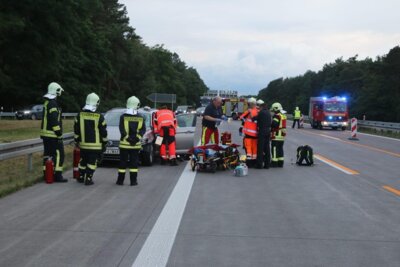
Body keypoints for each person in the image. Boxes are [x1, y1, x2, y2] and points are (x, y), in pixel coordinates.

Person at [74, 93, 108, 185]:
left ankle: (80, 177)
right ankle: (88, 179)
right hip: (95, 147)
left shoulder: (79, 115)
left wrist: (77, 141)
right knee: (92, 162)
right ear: (96, 103)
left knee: (83, 161)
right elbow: (103, 132)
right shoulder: (99, 116)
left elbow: (76, 130)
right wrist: (105, 142)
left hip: (83, 145)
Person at [40, 82, 67, 182]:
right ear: (57, 91)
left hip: (45, 134)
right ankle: (58, 176)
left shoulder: (47, 102)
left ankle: (47, 174)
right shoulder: (53, 104)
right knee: (59, 154)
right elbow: (54, 120)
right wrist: (59, 133)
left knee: (47, 155)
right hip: (52, 135)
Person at [116, 96, 145, 186]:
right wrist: (136, 138)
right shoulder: (141, 117)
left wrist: (128, 138)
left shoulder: (122, 117)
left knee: (122, 163)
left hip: (124, 144)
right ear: (137, 105)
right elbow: (142, 130)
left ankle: (120, 181)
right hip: (135, 145)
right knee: (134, 164)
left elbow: (122, 129)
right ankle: (133, 181)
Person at [240, 97, 259, 167]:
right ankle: (254, 161)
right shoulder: (258, 111)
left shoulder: (249, 111)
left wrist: (244, 120)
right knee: (254, 148)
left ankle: (249, 163)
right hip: (256, 134)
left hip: (248, 133)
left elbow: (241, 117)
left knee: (248, 148)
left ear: (251, 104)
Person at [256, 102, 271, 169]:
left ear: (262, 107)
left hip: (262, 131)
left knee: (260, 148)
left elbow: (256, 119)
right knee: (267, 148)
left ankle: (259, 165)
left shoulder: (261, 113)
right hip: (268, 131)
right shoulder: (269, 113)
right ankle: (267, 164)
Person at [270, 102, 287, 167]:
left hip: (276, 136)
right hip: (282, 136)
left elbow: (274, 124)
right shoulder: (283, 115)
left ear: (275, 109)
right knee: (280, 149)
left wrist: (270, 126)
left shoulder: (277, 116)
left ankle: (274, 163)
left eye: (273, 110)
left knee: (274, 149)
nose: (273, 111)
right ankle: (280, 162)